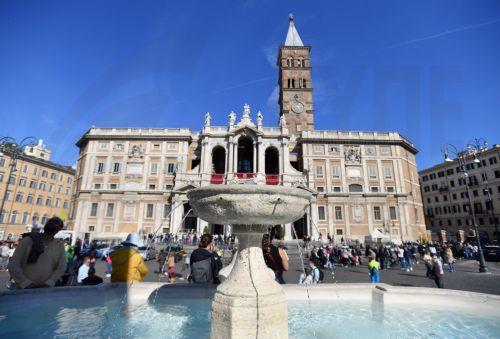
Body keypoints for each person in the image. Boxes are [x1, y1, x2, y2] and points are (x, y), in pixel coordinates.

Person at [8, 217, 66, 289]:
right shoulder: (28, 240)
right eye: (52, 222)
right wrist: (25, 282)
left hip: (45, 289)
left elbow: (62, 267)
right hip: (23, 288)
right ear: (46, 225)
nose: (54, 224)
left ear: (59, 230)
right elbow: (13, 264)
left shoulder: (59, 245)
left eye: (57, 223)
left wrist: (50, 282)